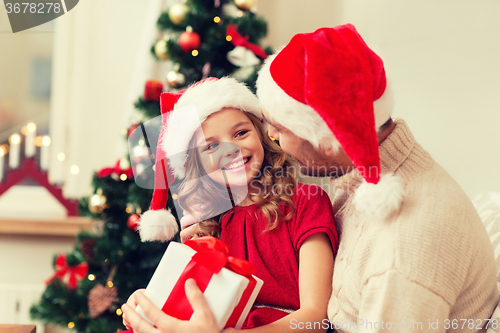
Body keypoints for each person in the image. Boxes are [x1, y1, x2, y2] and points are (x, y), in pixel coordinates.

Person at [254, 24, 499, 332]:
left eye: (281, 128)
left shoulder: (399, 255)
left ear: (329, 139)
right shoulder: (365, 178)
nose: (271, 137)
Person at [121, 77, 338, 332]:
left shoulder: (305, 202)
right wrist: (148, 303)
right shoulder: (204, 225)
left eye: (241, 133)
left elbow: (316, 317)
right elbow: (194, 308)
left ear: (261, 134)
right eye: (211, 145)